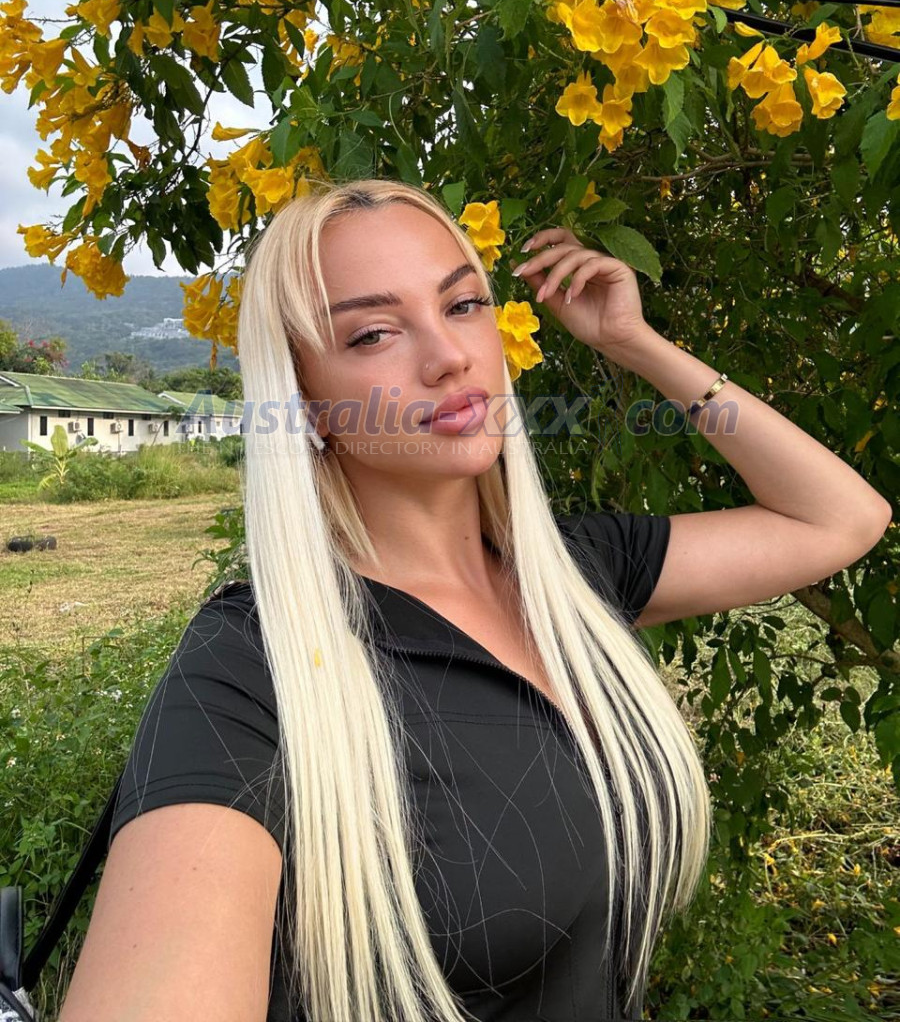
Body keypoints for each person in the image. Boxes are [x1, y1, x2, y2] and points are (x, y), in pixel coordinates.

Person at [58, 179, 891, 1022]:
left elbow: (840, 519)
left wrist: (634, 343)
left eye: (462, 306)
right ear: (304, 402)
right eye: (374, 333)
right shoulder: (252, 671)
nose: (448, 356)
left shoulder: (573, 577)